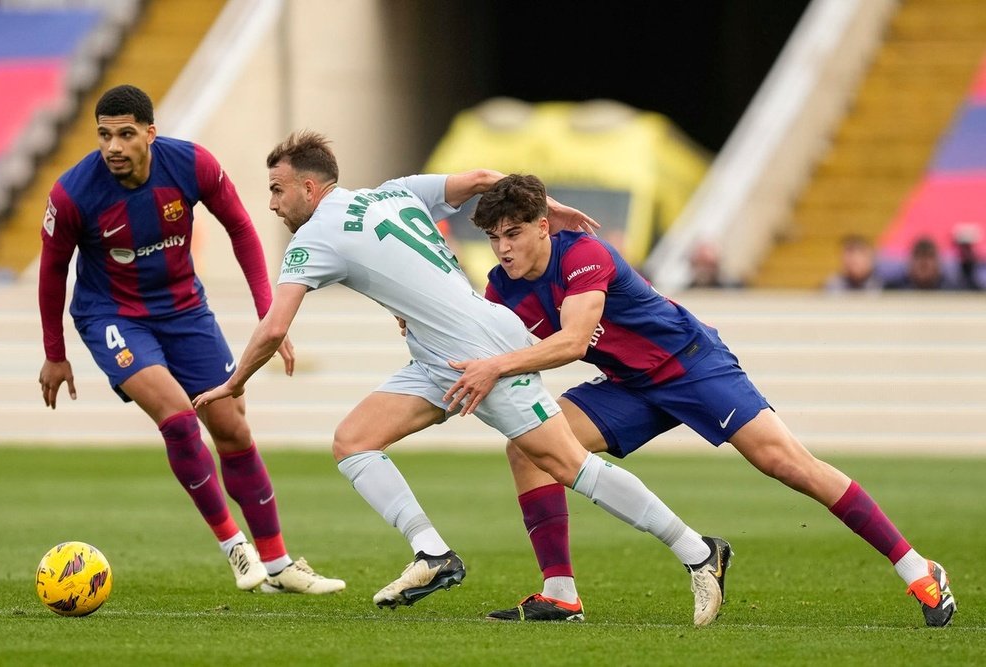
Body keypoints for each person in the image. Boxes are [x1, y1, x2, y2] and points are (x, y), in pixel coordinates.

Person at [193, 130, 733, 626]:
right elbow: (478, 180)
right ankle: (433, 553)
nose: (272, 203)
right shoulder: (393, 192)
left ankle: (697, 550)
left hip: (478, 352)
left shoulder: (313, 240)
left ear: (310, 187)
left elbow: (273, 329)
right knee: (354, 441)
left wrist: (233, 383)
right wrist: (551, 206)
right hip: (438, 356)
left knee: (567, 463)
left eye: (278, 190)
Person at [444, 174, 956, 628]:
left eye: (512, 233)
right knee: (529, 448)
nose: (503, 248)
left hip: (692, 364)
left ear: (542, 226)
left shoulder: (582, 254)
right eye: (493, 237)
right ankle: (560, 595)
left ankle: (917, 567)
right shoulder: (500, 287)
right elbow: (481, 339)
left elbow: (574, 342)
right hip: (631, 385)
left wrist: (494, 366)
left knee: (785, 462)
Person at [37, 85, 344, 595]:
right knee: (179, 419)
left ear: (150, 134)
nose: (114, 146)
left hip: (185, 311)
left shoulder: (191, 165)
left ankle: (279, 565)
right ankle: (235, 548)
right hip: (112, 315)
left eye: (126, 134)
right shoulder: (72, 194)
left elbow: (242, 229)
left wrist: (269, 313)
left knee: (233, 430)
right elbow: (51, 272)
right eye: (105, 135)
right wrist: (55, 353)